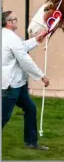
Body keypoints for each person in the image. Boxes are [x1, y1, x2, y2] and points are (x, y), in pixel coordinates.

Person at [2, 11, 50, 150]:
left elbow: (21, 47)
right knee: (3, 117)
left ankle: (31, 142)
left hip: (18, 84)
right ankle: (31, 142)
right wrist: (42, 76)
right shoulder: (10, 38)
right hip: (11, 85)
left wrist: (37, 38)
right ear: (9, 23)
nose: (17, 20)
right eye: (15, 19)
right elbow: (24, 60)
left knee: (30, 109)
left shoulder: (8, 36)